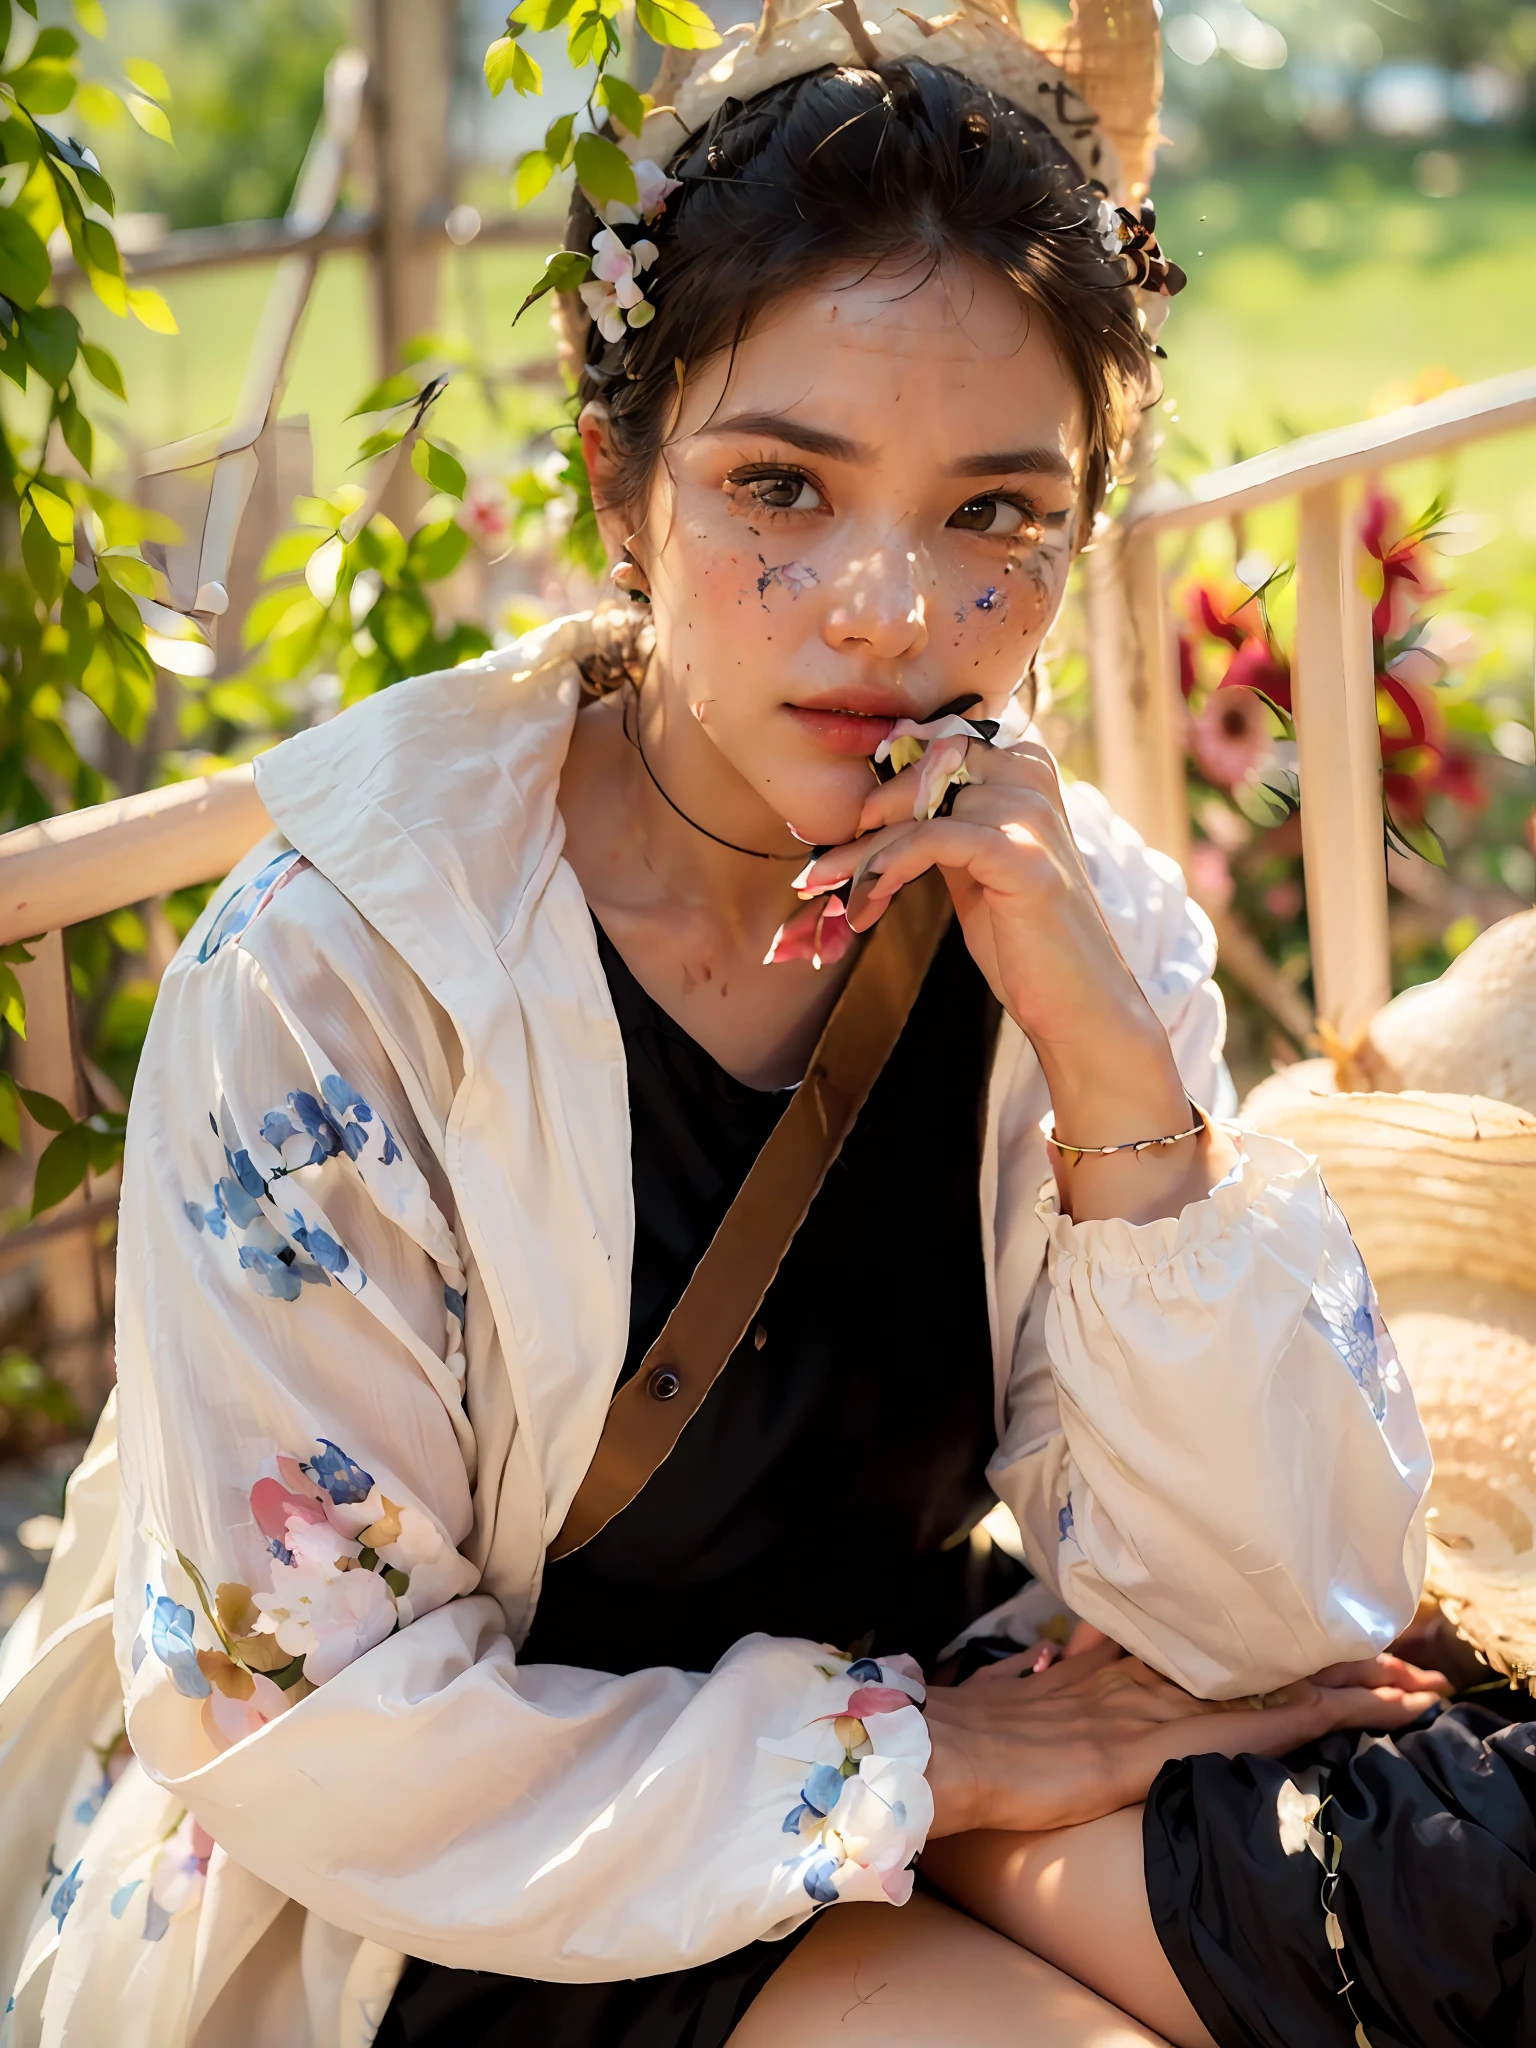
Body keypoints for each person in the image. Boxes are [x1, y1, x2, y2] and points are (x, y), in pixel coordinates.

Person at [0, 9, 1438, 2046]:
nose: (885, 608)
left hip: (897, 1761)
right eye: (782, 486)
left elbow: (1273, 1606)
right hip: (449, 1884)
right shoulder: (334, 982)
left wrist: (1115, 1071)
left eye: (994, 516)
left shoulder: (1066, 907)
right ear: (619, 486)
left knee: (1434, 1932)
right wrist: (915, 1763)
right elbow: (304, 1728)